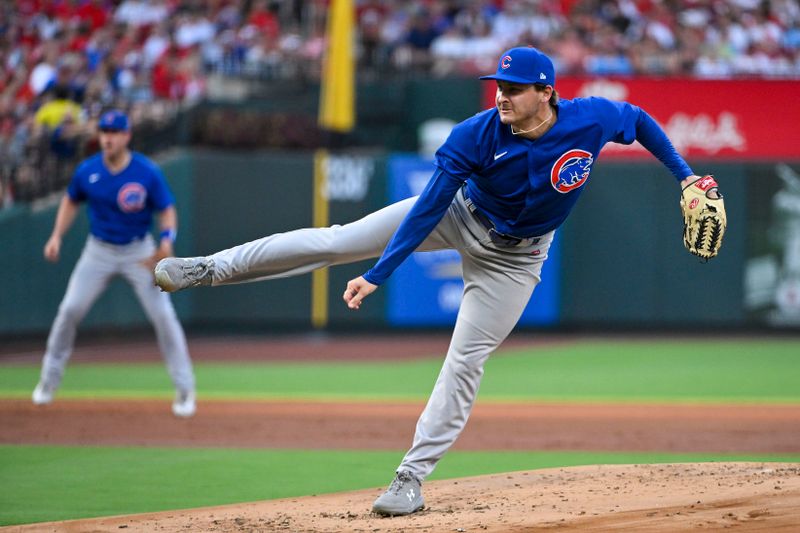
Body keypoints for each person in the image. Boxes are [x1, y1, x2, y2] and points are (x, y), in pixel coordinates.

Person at [153, 47, 724, 512]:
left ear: (546, 92)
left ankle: (409, 478)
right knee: (335, 240)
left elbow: (641, 122)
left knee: (465, 360)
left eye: (514, 87)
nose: (501, 93)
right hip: (459, 217)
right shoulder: (475, 134)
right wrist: (379, 273)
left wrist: (685, 176)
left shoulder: (592, 118)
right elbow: (428, 207)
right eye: (498, 84)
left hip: (518, 260)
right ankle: (208, 269)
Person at [33, 109, 197, 418]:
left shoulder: (146, 171)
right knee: (69, 310)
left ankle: (185, 389)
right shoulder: (88, 171)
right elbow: (70, 200)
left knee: (163, 316)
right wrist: (56, 235)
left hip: (139, 252)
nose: (107, 137)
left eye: (113, 132)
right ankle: (48, 381)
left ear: (126, 136)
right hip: (99, 251)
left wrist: (166, 239)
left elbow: (167, 209)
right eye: (104, 132)